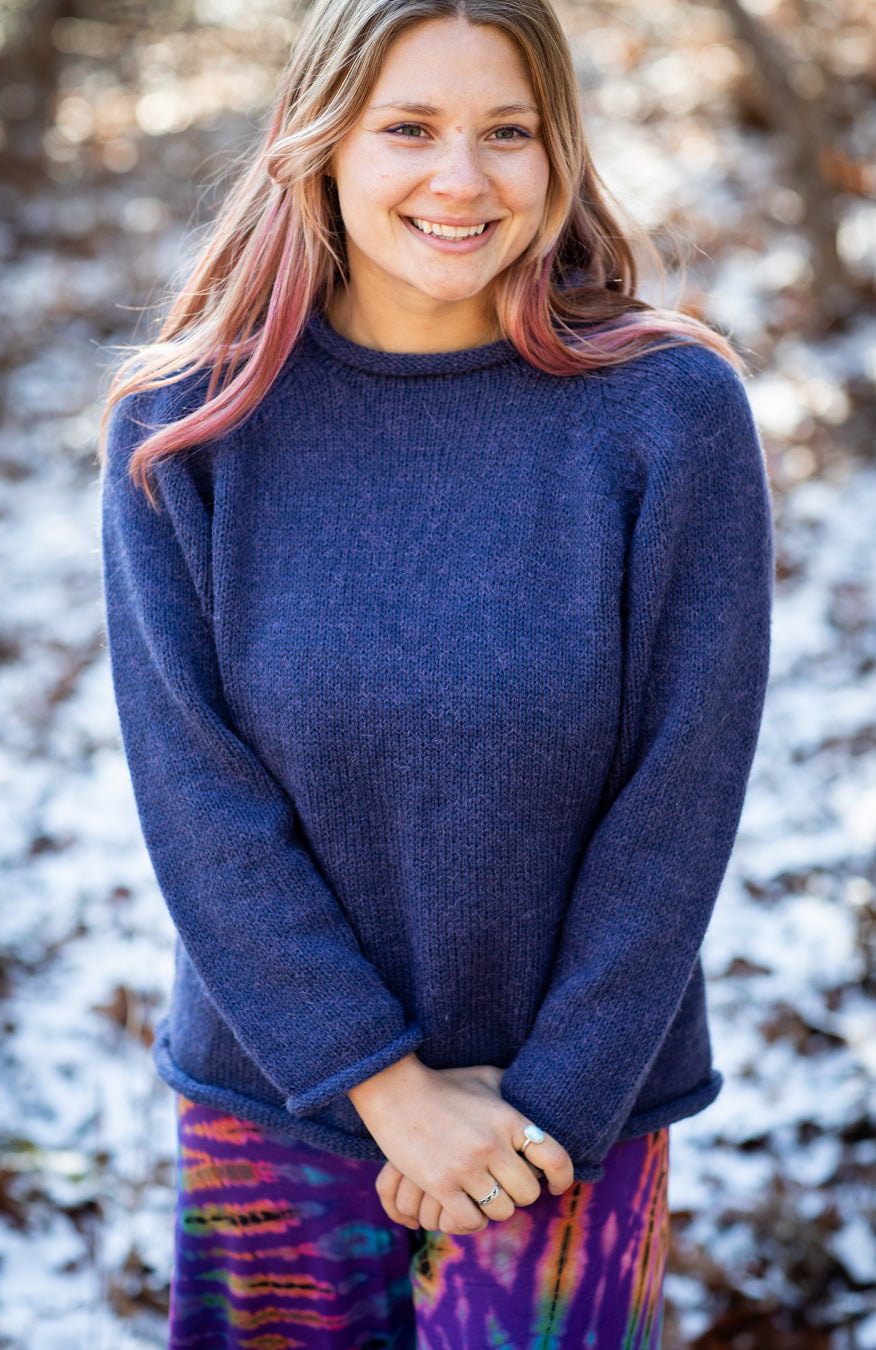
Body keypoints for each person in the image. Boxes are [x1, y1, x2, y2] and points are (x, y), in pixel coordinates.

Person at [99, 0, 773, 1345]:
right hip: (276, 1115)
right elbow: (200, 804)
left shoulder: (667, 415)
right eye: (410, 127)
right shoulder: (187, 430)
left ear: (558, 152)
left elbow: (680, 796)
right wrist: (386, 1088)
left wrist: (547, 1116)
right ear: (322, 140)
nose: (460, 180)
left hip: (568, 1123)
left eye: (506, 133)